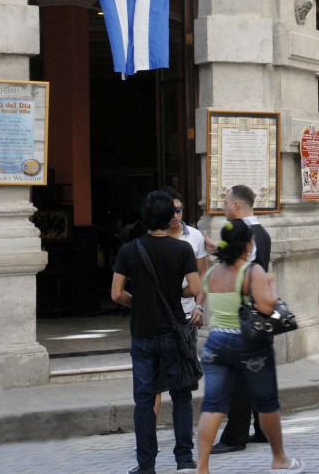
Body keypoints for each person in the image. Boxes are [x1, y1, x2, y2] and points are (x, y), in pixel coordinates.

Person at [196, 219, 305, 474]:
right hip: (248, 344)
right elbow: (267, 306)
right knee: (266, 403)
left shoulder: (213, 273)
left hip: (215, 343)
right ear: (247, 245)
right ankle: (279, 457)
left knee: (213, 405)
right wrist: (272, 285)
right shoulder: (251, 271)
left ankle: (202, 467)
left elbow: (200, 296)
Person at [111, 190, 202, 474]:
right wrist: (175, 292)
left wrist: (138, 301)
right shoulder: (183, 250)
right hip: (174, 331)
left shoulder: (129, 250)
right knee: (181, 395)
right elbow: (195, 289)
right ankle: (184, 457)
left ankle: (146, 464)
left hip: (142, 333)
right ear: (169, 217)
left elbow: (116, 294)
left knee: (144, 400)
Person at [212, 185, 273, 453]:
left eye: (226, 201)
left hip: (245, 314)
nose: (223, 206)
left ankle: (235, 436)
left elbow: (239, 269)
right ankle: (262, 429)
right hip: (257, 313)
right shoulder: (261, 232)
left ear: (237, 204)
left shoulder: (247, 234)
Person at [152, 188, 207, 418]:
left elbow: (202, 276)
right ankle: (149, 429)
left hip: (186, 316)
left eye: (179, 209)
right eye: (171, 210)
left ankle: (184, 427)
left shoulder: (194, 236)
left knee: (183, 378)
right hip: (158, 317)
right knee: (154, 380)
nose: (175, 215)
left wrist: (199, 306)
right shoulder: (153, 238)